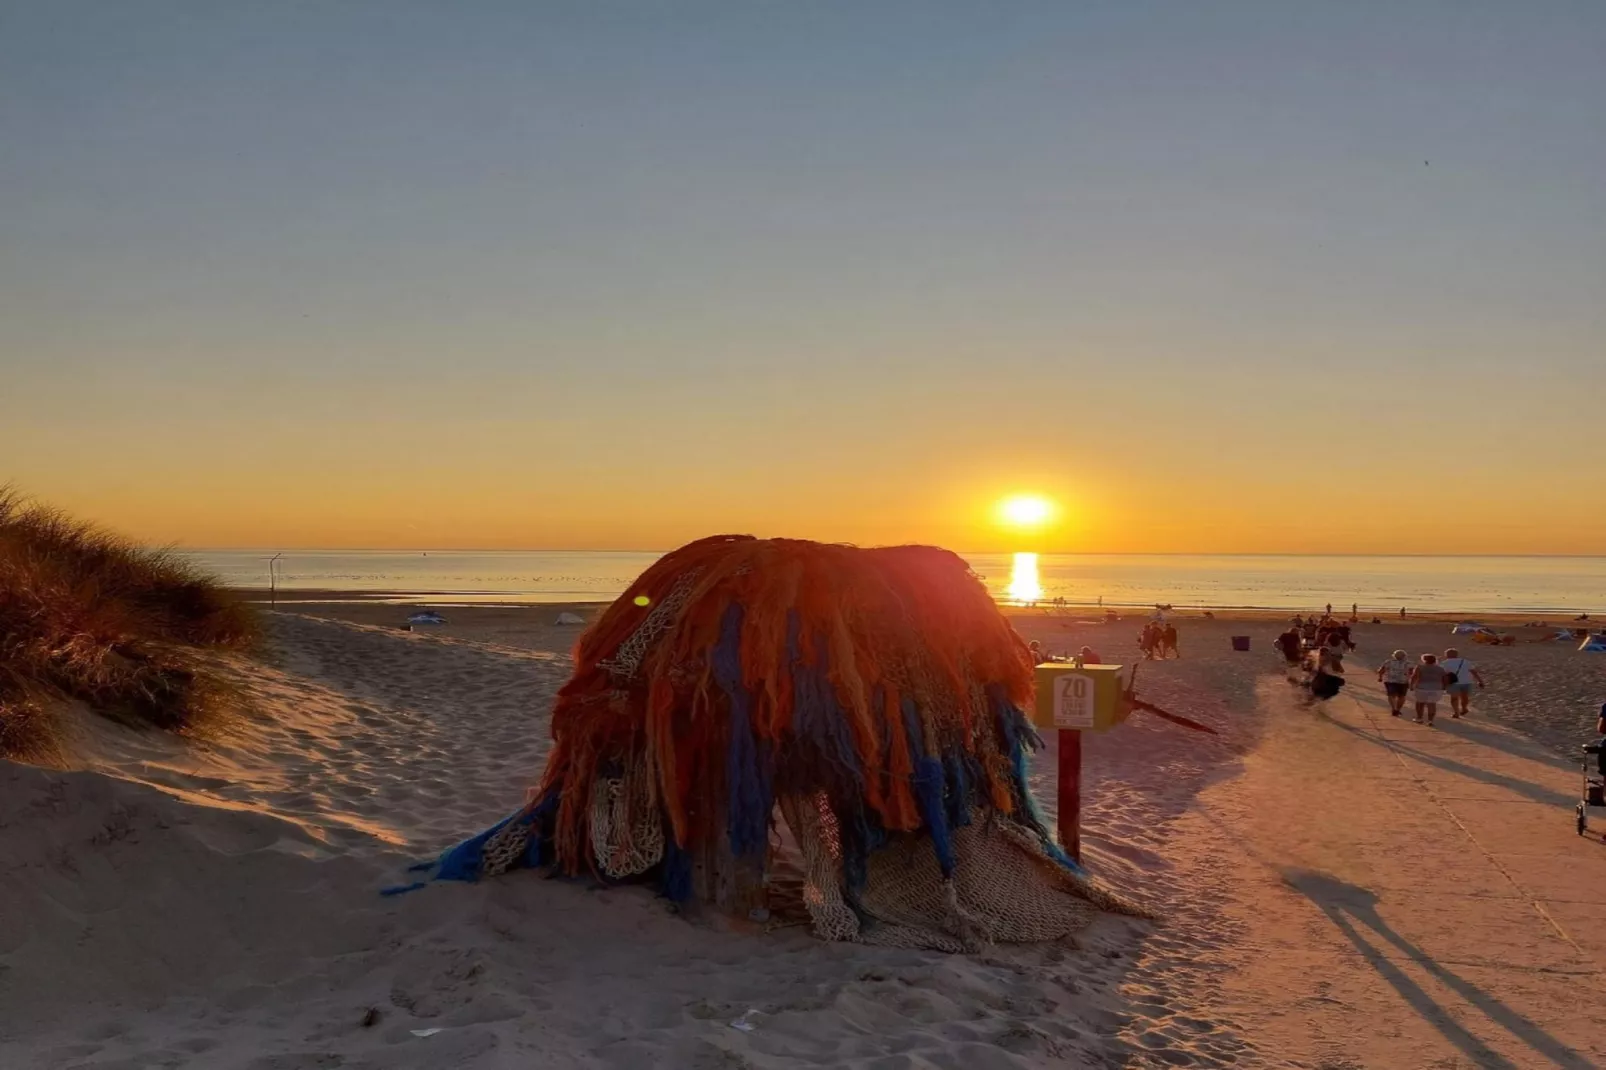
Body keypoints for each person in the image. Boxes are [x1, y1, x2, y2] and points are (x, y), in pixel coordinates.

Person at [1441, 648, 1485, 718]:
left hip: (1453, 683)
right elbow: (1473, 672)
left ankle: (1456, 712)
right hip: (1467, 682)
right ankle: (1464, 708)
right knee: (1464, 697)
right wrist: (1480, 681)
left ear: (1447, 655)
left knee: (1454, 698)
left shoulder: (1445, 663)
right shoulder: (1465, 661)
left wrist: (1443, 684)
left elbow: (1443, 674)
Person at [1410, 653, 1448, 725]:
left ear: (1424, 660)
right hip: (1436, 688)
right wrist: (1444, 687)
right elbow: (1445, 678)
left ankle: (1419, 718)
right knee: (1432, 704)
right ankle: (1430, 720)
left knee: (1420, 703)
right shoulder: (1440, 668)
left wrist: (1411, 685)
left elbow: (1414, 676)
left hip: (1421, 688)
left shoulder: (1420, 667)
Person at [1377, 649, 1413, 717]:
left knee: (1391, 695)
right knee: (1401, 696)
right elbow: (1411, 673)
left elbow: (1381, 670)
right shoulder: (1408, 663)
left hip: (1390, 681)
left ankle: (1393, 708)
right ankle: (1398, 709)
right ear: (1405, 656)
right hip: (1403, 681)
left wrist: (1380, 677)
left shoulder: (1388, 662)